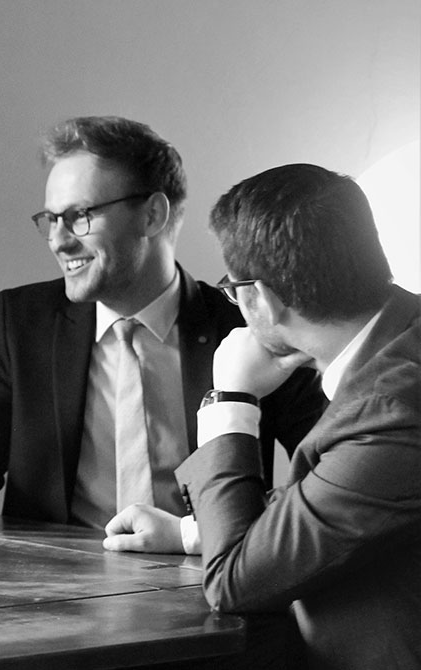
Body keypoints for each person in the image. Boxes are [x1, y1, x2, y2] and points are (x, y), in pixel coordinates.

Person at [0, 117, 322, 552]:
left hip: (204, 572)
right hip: (55, 581)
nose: (58, 240)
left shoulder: (245, 323)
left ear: (152, 215)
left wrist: (203, 534)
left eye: (79, 216)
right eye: (50, 219)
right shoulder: (22, 319)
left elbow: (328, 469)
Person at [176, 163, 419, 668]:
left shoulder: (391, 410)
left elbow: (234, 583)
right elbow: (344, 499)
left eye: (233, 288)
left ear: (261, 298)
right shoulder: (401, 345)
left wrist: (231, 398)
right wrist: (189, 534)